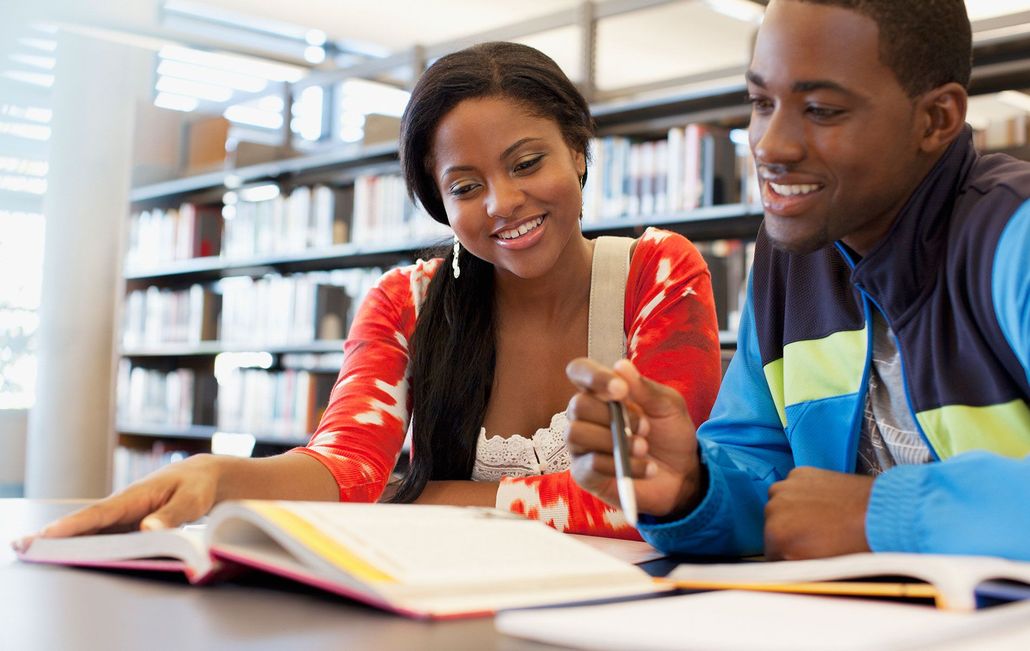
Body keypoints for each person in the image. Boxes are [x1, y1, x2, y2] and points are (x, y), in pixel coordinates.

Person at [31, 42, 722, 543]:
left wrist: (421, 495)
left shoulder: (658, 272)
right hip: (443, 607)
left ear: (577, 148)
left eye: (526, 162)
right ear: (440, 204)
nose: (504, 202)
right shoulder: (406, 301)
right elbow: (347, 467)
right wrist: (221, 476)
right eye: (466, 186)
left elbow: (660, 489)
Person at [565, 0, 1030, 560]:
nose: (769, 145)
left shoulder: (1013, 235)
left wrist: (881, 512)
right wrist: (692, 486)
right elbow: (772, 477)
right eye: (762, 102)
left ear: (935, 120)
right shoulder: (790, 256)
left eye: (821, 109)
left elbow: (843, 515)